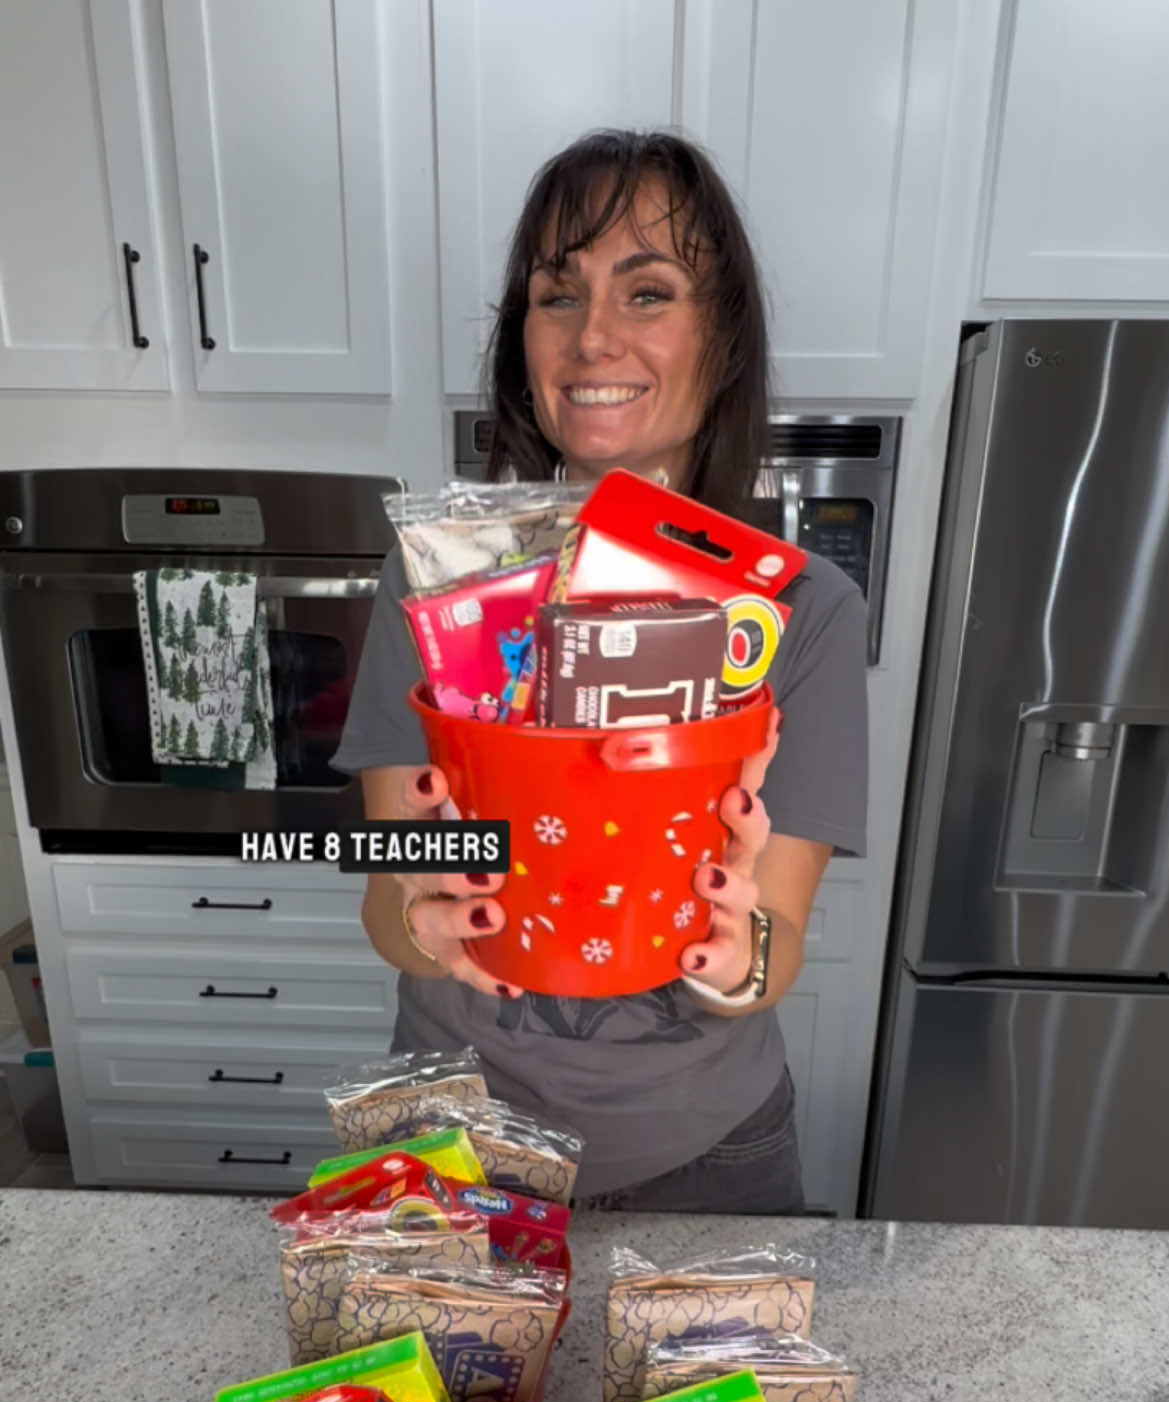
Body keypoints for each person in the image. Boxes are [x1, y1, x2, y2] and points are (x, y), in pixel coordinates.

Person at [333, 130, 867, 1212]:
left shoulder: (797, 613)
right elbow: (390, 907)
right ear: (521, 342)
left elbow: (777, 949)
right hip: (454, 1151)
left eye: (650, 290)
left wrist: (733, 950)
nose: (594, 338)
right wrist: (424, 911)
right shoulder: (438, 586)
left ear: (722, 341)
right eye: (556, 294)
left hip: (704, 1156)